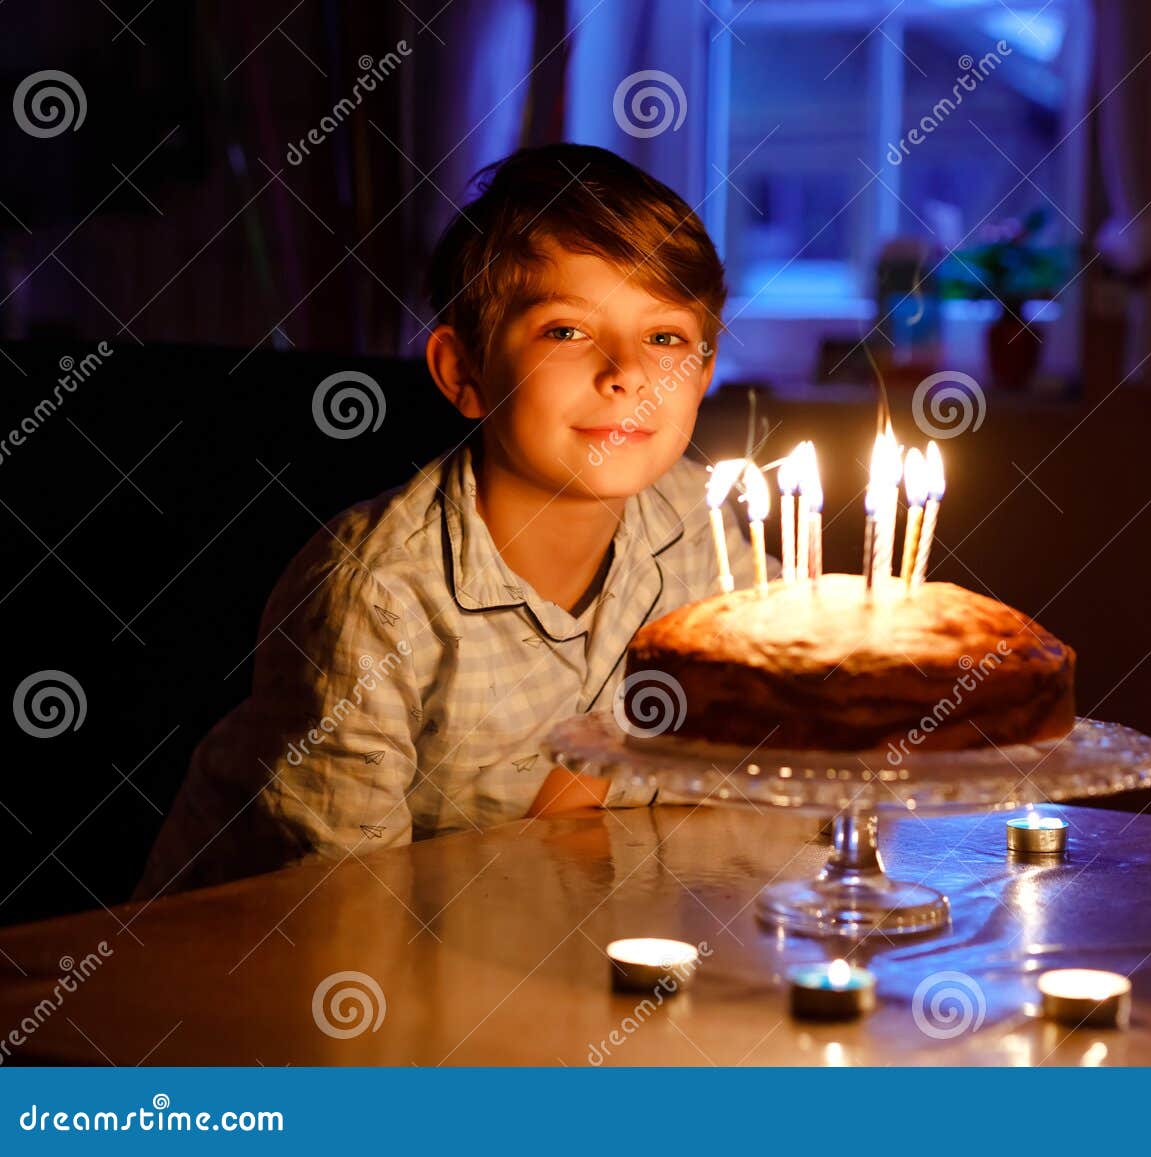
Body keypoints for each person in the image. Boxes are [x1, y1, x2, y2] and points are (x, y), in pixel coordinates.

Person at [135, 143, 754, 898]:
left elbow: (788, 727)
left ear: (706, 372)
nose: (626, 370)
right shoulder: (377, 593)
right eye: (566, 330)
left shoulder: (707, 525)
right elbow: (340, 912)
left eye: (666, 338)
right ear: (463, 373)